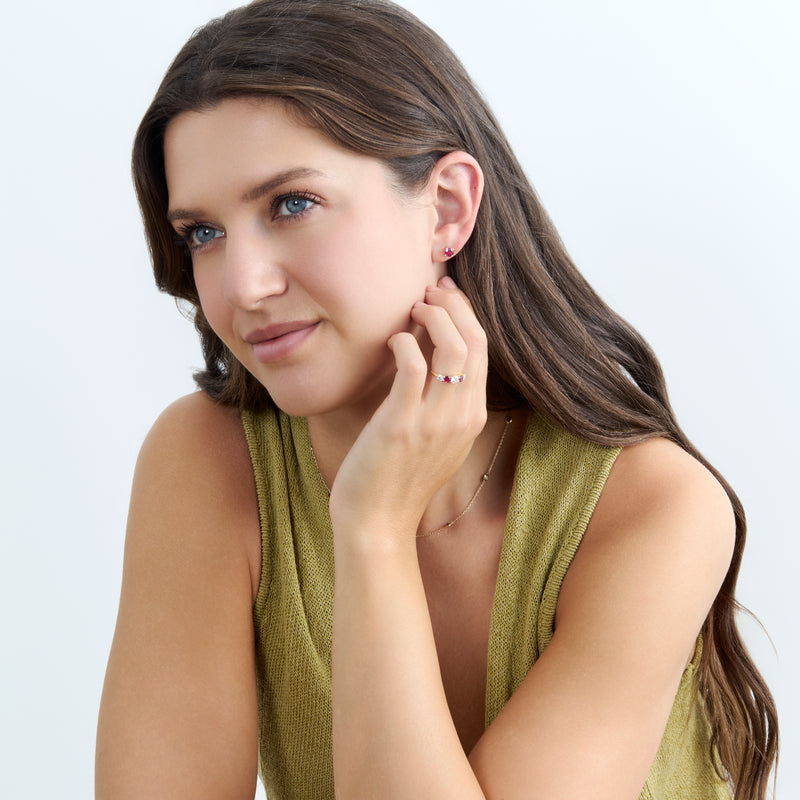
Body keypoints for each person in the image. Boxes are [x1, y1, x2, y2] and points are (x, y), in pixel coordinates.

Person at [95, 1, 778, 798]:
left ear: (447, 207)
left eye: (291, 204)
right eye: (203, 234)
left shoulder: (653, 509)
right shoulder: (208, 462)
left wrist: (374, 529)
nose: (244, 287)